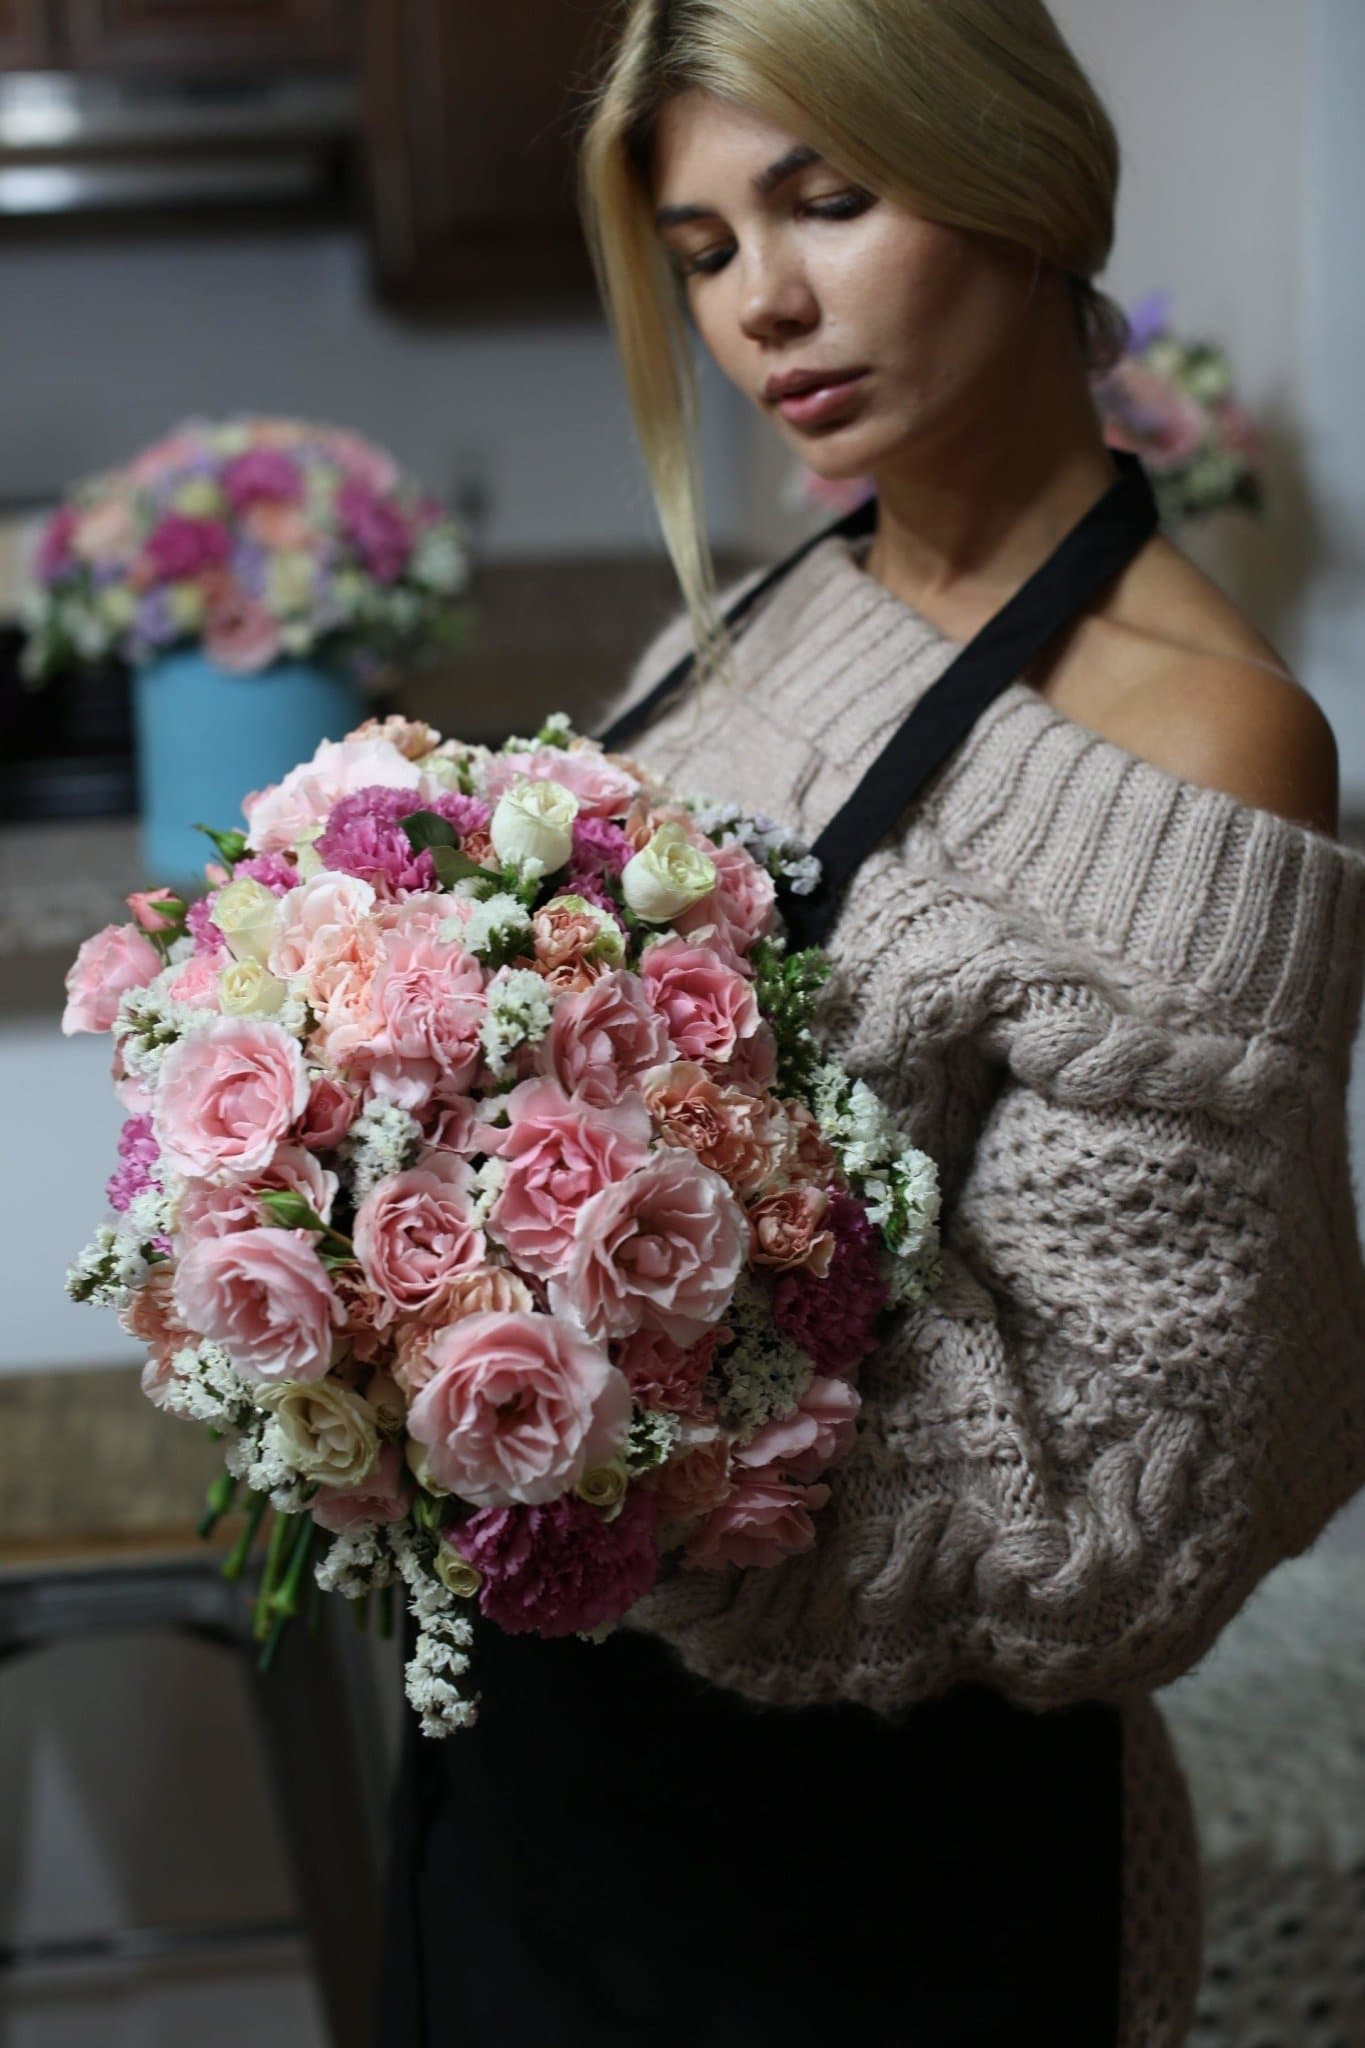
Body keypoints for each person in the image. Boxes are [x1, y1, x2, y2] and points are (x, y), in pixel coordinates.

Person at [371, 5, 1365, 2044]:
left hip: (862, 1895)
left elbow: (1121, 1512)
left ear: (1018, 183)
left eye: (828, 201)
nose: (767, 303)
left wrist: (569, 1458)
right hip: (542, 1802)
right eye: (706, 248)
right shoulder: (776, 602)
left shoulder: (1198, 746)